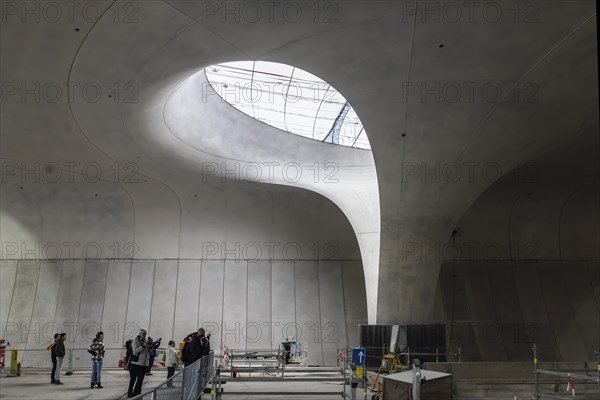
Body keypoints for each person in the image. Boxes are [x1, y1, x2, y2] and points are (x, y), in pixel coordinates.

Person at [128, 329, 150, 398]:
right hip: (136, 364)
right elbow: (135, 351)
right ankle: (130, 393)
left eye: (145, 334)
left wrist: (148, 347)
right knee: (133, 380)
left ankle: (137, 395)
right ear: (140, 333)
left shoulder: (145, 341)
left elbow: (146, 353)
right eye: (143, 334)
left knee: (140, 381)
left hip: (142, 364)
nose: (144, 335)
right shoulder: (135, 341)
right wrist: (143, 346)